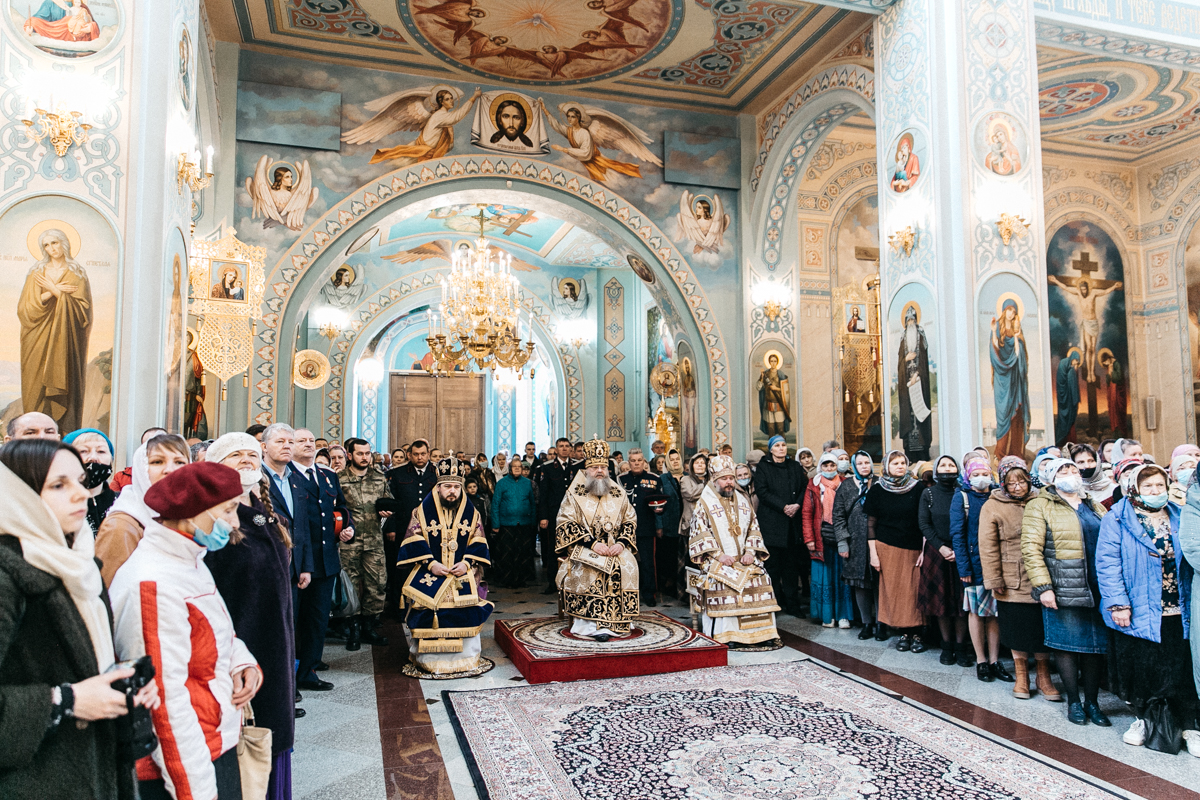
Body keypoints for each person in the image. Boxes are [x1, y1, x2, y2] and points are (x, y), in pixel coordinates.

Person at [0, 439, 159, 800]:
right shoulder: (7, 572)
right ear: (17, 494)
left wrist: (121, 680)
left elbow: (81, 661)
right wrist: (65, 701)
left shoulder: (79, 561)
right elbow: (69, 690)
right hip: (35, 780)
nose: (82, 494)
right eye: (59, 485)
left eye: (80, 480)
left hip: (93, 768)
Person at [110, 462, 262, 800]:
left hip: (212, 735)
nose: (235, 523)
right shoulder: (153, 581)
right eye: (228, 510)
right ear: (192, 512)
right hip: (182, 763)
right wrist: (195, 791)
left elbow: (215, 629)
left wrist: (242, 662)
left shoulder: (189, 559)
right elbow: (165, 701)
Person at [203, 433, 297, 797]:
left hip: (275, 646)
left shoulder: (264, 512)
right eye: (235, 454)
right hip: (241, 652)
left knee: (273, 735)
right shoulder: (216, 520)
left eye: (251, 454)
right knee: (248, 743)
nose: (245, 459)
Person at [1097, 464, 1199, 755]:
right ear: (1134, 489)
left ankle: (1189, 726)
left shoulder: (1179, 513)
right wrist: (1118, 604)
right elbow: (1107, 564)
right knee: (1143, 666)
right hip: (1139, 606)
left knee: (1181, 667)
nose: (1156, 491)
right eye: (1148, 487)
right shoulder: (1116, 518)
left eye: (1159, 485)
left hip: (1178, 607)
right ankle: (1144, 719)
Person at [1022, 458, 1111, 726]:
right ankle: (1074, 702)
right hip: (1063, 584)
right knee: (1068, 645)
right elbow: (1031, 548)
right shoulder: (1040, 505)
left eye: (1073, 469)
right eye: (1063, 470)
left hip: (1096, 585)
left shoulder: (1092, 504)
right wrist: (1043, 587)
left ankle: (1092, 703)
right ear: (1050, 477)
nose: (1071, 473)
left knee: (1095, 646)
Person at [397, 458, 493, 676]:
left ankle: (465, 658)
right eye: (447, 486)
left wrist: (467, 562)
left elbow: (479, 540)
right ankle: (429, 660)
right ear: (438, 487)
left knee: (466, 604)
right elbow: (414, 537)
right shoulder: (420, 511)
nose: (452, 492)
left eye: (457, 487)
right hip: (431, 571)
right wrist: (431, 564)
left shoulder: (472, 512)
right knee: (426, 606)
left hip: (462, 571)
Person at [979, 457, 1057, 701]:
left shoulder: (1042, 499)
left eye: (1021, 481)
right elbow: (988, 546)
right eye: (1010, 483)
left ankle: (1043, 676)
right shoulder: (992, 506)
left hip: (1042, 575)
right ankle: (1022, 675)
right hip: (1010, 577)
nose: (1017, 487)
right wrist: (993, 579)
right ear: (1002, 483)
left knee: (1042, 628)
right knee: (1016, 629)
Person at [687, 455, 780, 647]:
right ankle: (728, 635)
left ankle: (764, 633)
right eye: (724, 479)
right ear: (714, 480)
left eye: (731, 478)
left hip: (745, 559)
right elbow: (699, 532)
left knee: (762, 577)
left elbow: (754, 527)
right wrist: (719, 556)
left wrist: (750, 553)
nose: (729, 483)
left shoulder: (743, 501)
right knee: (728, 583)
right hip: (717, 560)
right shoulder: (704, 503)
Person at [555, 439, 639, 641]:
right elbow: (564, 523)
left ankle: (619, 622)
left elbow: (630, 519)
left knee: (627, 564)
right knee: (594, 569)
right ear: (587, 468)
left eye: (603, 466)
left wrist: (621, 543)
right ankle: (591, 625)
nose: (600, 471)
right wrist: (593, 544)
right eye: (595, 467)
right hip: (584, 547)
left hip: (615, 547)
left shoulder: (618, 492)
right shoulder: (574, 494)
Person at [288, 428, 354, 676]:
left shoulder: (327, 475)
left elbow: (341, 509)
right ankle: (292, 672)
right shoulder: (287, 475)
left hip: (326, 559)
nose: (308, 444)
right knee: (295, 620)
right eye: (301, 440)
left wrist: (347, 530)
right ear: (290, 446)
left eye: (311, 440)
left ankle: (309, 670)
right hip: (300, 560)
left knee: (318, 619)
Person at [95, 435, 190, 586]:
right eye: (157, 462)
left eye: (179, 462)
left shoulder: (187, 516)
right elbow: (106, 592)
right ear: (140, 468)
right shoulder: (123, 526)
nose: (170, 470)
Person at [952, 459, 1013, 683]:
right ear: (968, 476)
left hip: (998, 563)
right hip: (974, 562)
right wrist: (964, 567)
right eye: (976, 473)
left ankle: (995, 660)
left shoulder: (998, 494)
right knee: (977, 612)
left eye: (985, 472)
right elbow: (957, 535)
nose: (981, 477)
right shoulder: (963, 497)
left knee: (995, 612)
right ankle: (981, 660)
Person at [864, 451, 926, 650]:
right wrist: (873, 553)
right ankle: (903, 633)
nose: (900, 466)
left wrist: (925, 550)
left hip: (914, 547)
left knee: (914, 590)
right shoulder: (877, 490)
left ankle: (917, 634)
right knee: (895, 592)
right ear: (886, 467)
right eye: (895, 463)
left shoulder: (918, 488)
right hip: (887, 547)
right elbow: (871, 524)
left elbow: (925, 522)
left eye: (902, 463)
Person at [338, 438, 394, 651]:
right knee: (351, 585)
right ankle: (353, 629)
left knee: (377, 583)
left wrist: (387, 511)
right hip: (349, 542)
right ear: (350, 455)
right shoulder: (339, 479)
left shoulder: (379, 478)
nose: (364, 457)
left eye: (367, 453)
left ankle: (369, 627)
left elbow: (388, 500)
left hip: (373, 540)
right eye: (360, 453)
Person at [918, 456, 969, 664]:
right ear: (936, 469)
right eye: (943, 465)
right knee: (941, 602)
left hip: (961, 553)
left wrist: (957, 549)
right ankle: (946, 645)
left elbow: (970, 523)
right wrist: (941, 547)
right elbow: (924, 523)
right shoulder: (928, 493)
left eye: (951, 465)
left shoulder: (964, 493)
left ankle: (961, 645)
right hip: (937, 552)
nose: (947, 468)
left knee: (960, 603)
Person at [756, 436, 807, 616]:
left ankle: (793, 605)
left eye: (783, 445)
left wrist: (797, 504)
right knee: (773, 568)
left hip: (792, 525)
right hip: (772, 524)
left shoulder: (794, 467)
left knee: (791, 568)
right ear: (771, 449)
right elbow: (762, 492)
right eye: (777, 446)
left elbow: (804, 488)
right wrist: (783, 506)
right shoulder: (763, 467)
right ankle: (774, 604)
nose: (781, 448)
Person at [387, 439, 437, 611]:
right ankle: (399, 606)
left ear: (428, 454)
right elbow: (391, 502)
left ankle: (426, 603)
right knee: (401, 567)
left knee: (427, 566)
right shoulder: (398, 473)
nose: (420, 457)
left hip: (430, 530)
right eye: (415, 454)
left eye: (423, 454)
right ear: (409, 455)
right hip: (403, 528)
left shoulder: (436, 473)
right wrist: (391, 527)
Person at [803, 453, 852, 628]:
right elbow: (807, 514)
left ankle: (843, 616)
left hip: (841, 536)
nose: (829, 469)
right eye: (826, 466)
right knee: (823, 577)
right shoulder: (813, 486)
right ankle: (827, 616)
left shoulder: (846, 483)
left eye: (832, 466)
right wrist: (809, 538)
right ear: (820, 467)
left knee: (841, 577)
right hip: (820, 537)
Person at [834, 450, 877, 639]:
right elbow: (838, 516)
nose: (864, 466)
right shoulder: (846, 487)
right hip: (855, 542)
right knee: (861, 583)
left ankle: (881, 622)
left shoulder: (880, 484)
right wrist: (843, 542)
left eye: (867, 462)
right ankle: (867, 623)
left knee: (879, 583)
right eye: (860, 463)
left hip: (878, 541)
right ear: (854, 466)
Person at [620, 449, 666, 606]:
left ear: (644, 462)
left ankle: (649, 593)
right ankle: (625, 593)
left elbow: (661, 503)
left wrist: (659, 523)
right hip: (624, 529)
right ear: (629, 462)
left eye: (639, 460)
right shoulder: (620, 479)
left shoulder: (654, 479)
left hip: (646, 527)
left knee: (648, 563)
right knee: (625, 563)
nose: (636, 463)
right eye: (633, 460)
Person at [536, 437, 577, 594]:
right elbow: (543, 495)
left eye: (567, 446)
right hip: (555, 514)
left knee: (573, 548)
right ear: (557, 449)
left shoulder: (577, 467)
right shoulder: (547, 468)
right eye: (561, 446)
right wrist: (543, 516)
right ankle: (553, 583)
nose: (564, 449)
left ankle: (572, 582)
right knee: (554, 549)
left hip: (573, 515)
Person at [491, 459, 537, 588]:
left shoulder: (528, 483)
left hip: (524, 523)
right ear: (510, 468)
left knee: (522, 553)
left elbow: (532, 503)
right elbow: (495, 504)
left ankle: (521, 579)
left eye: (519, 467)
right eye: (514, 467)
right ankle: (507, 579)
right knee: (507, 554)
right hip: (506, 524)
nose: (517, 469)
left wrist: (533, 521)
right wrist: (495, 524)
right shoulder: (501, 483)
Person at [63, 428, 116, 531]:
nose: (93, 458)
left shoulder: (123, 504)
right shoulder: (57, 505)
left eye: (101, 451)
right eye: (83, 451)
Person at [656, 454, 683, 597]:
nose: (675, 462)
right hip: (669, 522)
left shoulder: (686, 477)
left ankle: (680, 585)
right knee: (669, 556)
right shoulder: (663, 479)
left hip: (684, 522)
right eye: (672, 460)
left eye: (677, 459)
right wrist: (659, 524)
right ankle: (669, 584)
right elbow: (658, 503)